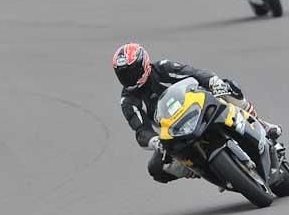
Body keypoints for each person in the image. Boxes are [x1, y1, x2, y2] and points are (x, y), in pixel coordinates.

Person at [113, 43, 282, 184]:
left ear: (144, 64)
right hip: (174, 130)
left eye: (131, 71)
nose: (129, 78)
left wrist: (213, 81)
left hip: (198, 107)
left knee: (228, 86)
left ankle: (261, 123)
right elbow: (141, 131)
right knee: (156, 168)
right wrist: (154, 141)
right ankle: (202, 170)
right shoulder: (128, 101)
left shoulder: (163, 68)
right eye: (123, 74)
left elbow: (195, 73)